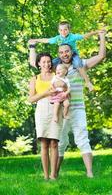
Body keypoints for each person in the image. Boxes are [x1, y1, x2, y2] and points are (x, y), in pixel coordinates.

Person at [28, 29, 106, 178]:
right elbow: (36, 63)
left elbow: (101, 56)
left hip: (77, 108)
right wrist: (32, 47)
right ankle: (54, 175)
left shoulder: (80, 65)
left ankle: (90, 173)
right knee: (60, 143)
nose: (65, 54)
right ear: (59, 54)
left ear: (72, 51)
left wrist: (102, 37)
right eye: (62, 52)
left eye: (67, 51)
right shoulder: (55, 70)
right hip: (60, 112)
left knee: (83, 139)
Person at [28, 20, 99, 91]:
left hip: (73, 54)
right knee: (51, 64)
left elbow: (84, 36)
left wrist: (96, 32)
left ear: (69, 30)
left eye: (65, 30)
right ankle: (55, 83)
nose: (63, 32)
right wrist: (35, 40)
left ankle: (87, 82)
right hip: (61, 56)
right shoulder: (58, 38)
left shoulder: (72, 36)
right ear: (58, 31)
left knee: (78, 63)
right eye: (61, 30)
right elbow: (47, 40)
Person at [28, 52, 63, 180]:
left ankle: (53, 175)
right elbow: (31, 99)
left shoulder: (57, 75)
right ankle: (46, 176)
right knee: (44, 144)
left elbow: (63, 90)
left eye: (49, 61)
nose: (47, 64)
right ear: (38, 64)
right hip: (41, 109)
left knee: (54, 142)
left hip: (55, 108)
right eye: (44, 62)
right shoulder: (34, 79)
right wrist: (46, 92)